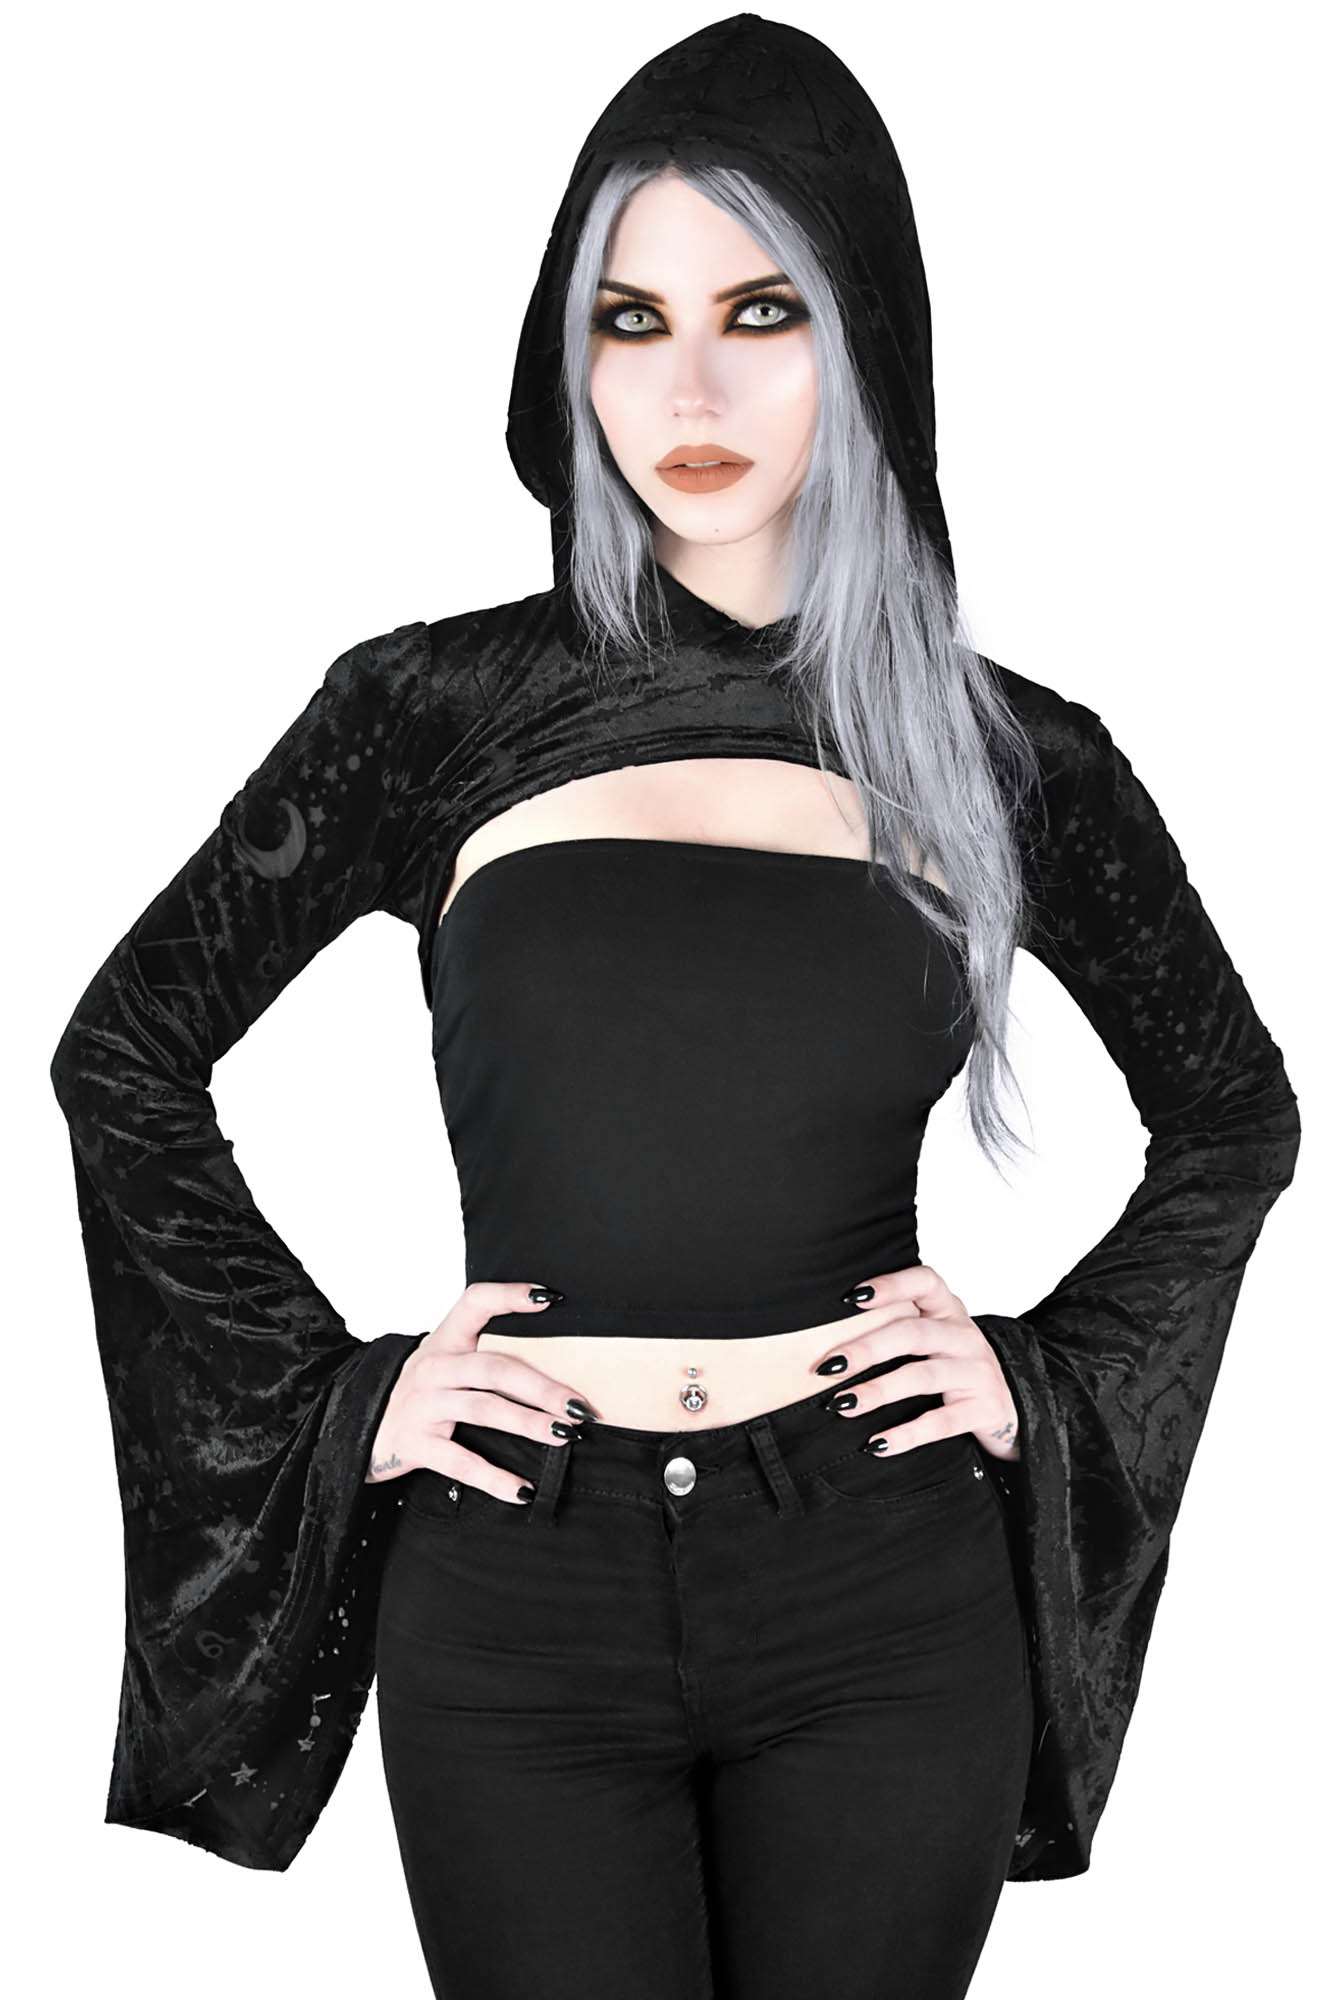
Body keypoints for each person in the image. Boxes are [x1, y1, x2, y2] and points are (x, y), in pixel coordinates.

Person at [49, 13, 1300, 2000]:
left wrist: (1045, 1380)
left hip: (883, 1588)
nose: (688, 386)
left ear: (863, 335)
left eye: (760, 311)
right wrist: (347, 1396)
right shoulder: (430, 711)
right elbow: (123, 1052)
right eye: (628, 319)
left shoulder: (1006, 756)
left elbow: (1234, 1111)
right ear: (569, 354)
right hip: (514, 1583)